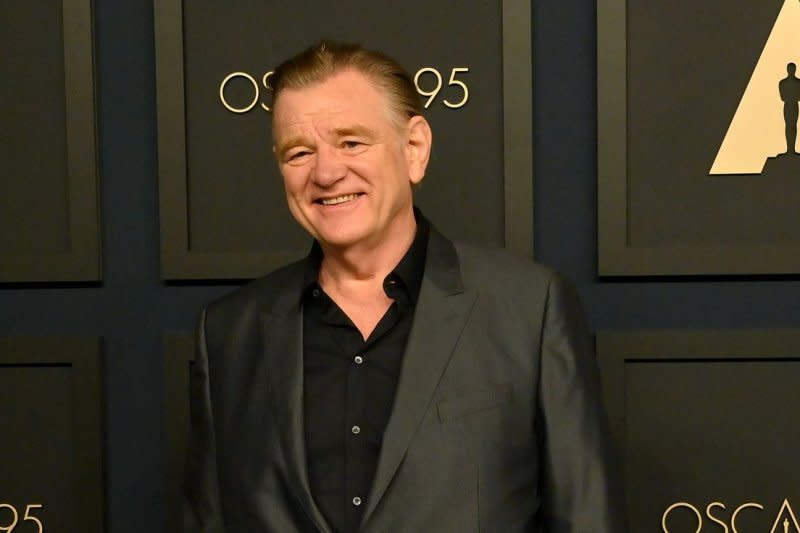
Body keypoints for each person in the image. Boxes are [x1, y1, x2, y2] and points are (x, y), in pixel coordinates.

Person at [183, 40, 624, 532]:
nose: (326, 172)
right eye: (299, 152)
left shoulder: (529, 309)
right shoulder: (228, 332)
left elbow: (588, 520)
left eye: (351, 142)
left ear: (414, 148)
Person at [779, 62, 800, 154]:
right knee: (788, 126)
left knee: (793, 126)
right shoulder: (783, 83)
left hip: (794, 105)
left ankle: (792, 149)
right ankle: (789, 149)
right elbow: (782, 97)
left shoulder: (798, 82)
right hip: (788, 105)